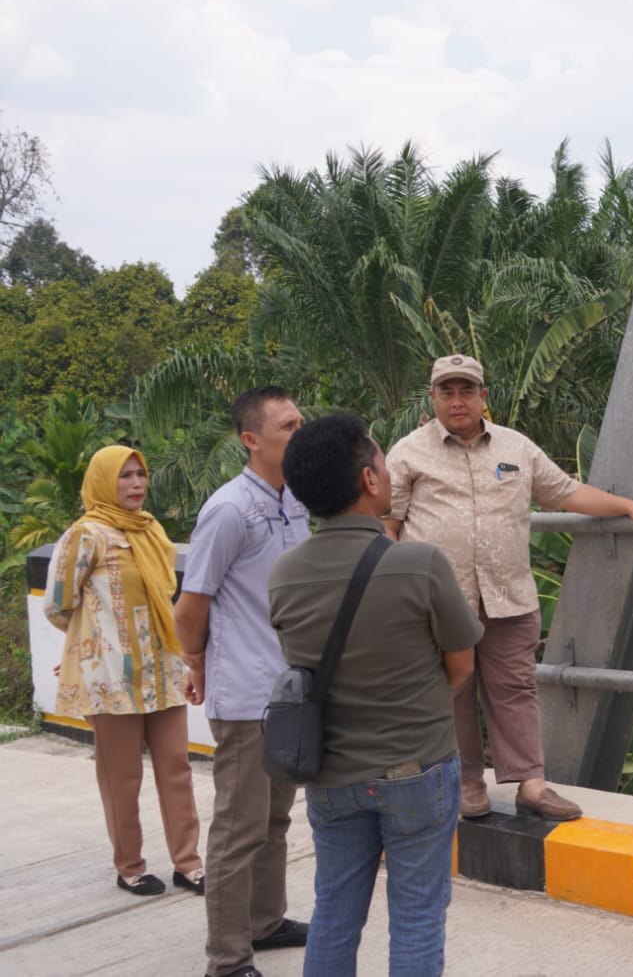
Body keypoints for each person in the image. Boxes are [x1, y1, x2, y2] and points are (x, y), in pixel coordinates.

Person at [383, 353, 633, 821]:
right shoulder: (409, 452)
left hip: (508, 596)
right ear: (432, 396)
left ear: (483, 397)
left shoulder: (516, 448)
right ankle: (468, 782)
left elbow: (567, 492)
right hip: (438, 603)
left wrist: (628, 505)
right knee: (452, 693)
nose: (458, 401)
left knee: (515, 688)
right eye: (447, 392)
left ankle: (532, 784)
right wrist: (398, 590)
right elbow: (388, 524)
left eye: (467, 391)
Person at [271, 414, 482, 977]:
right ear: (369, 480)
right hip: (418, 768)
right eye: (383, 463)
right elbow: (461, 662)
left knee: (335, 912)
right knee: (416, 915)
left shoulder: (285, 574)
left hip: (332, 777)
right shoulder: (419, 563)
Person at [174, 386, 312, 977]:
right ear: (251, 440)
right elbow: (191, 603)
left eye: (302, 422)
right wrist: (197, 662)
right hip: (246, 696)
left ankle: (265, 920)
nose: (300, 433)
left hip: (291, 692)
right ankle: (227, 961)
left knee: (276, 819)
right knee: (237, 830)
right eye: (287, 426)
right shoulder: (230, 508)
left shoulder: (300, 501)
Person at [44, 445, 204, 896]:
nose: (136, 484)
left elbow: (169, 595)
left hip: (161, 669)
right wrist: (89, 644)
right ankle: (130, 866)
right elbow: (58, 604)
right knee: (123, 776)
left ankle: (188, 863)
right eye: (124, 476)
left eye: (141, 474)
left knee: (176, 766)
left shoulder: (151, 530)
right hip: (111, 676)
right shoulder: (86, 535)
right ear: (102, 481)